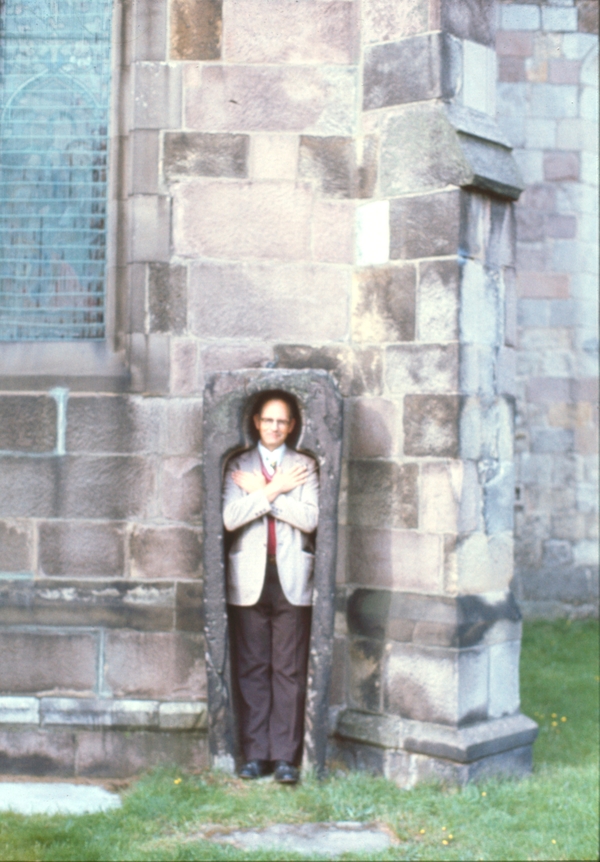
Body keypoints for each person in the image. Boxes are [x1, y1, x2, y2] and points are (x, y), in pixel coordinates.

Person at [222, 392, 319, 784]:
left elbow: (310, 519)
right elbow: (230, 519)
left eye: (282, 421)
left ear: (292, 425)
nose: (275, 427)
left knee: (288, 669)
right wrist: (274, 491)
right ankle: (255, 755)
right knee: (252, 667)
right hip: (248, 578)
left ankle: (284, 758)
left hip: (292, 576)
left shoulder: (305, 466)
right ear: (256, 422)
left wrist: (266, 492)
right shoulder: (237, 464)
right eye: (268, 420)